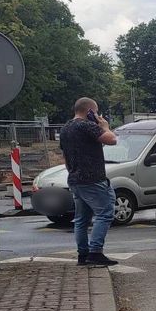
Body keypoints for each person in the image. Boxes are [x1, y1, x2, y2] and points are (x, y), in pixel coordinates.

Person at [59, 98, 119, 266]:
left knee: (81, 220)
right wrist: (105, 127)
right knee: (105, 213)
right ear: (90, 112)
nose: (98, 115)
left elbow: (65, 157)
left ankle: (82, 255)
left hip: (75, 179)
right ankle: (95, 252)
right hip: (93, 178)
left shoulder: (65, 129)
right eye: (96, 111)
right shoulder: (86, 125)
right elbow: (112, 139)